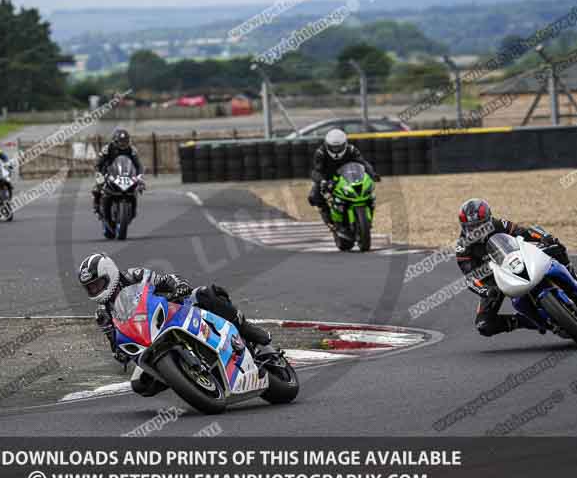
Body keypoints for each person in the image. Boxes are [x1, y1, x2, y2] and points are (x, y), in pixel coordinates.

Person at [78, 253, 271, 396]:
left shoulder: (134, 276)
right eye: (90, 288)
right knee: (140, 384)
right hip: (147, 340)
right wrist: (120, 354)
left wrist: (178, 287)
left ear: (109, 273)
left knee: (207, 294)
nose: (95, 290)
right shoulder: (103, 314)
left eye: (97, 284)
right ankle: (183, 376)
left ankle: (246, 328)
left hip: (174, 311)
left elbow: (167, 279)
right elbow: (115, 342)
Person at [456, 198, 577, 339]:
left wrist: (544, 237)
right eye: (471, 227)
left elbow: (524, 232)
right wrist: (486, 290)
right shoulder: (462, 248)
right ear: (463, 226)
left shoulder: (499, 224)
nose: (477, 230)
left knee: (556, 246)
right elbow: (470, 277)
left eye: (481, 225)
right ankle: (526, 322)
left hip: (517, 259)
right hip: (494, 280)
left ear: (489, 219)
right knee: (484, 325)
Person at [308, 129, 379, 229]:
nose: (336, 150)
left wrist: (372, 174)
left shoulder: (352, 150)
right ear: (327, 145)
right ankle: (329, 219)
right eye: (333, 147)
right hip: (327, 178)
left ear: (345, 144)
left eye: (338, 147)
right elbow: (317, 171)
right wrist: (323, 181)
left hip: (347, 175)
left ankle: (367, 218)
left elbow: (363, 163)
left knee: (369, 193)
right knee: (314, 197)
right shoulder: (321, 153)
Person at [92, 129, 144, 236]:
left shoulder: (132, 150)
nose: (123, 144)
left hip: (125, 175)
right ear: (115, 141)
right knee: (97, 189)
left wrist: (139, 177)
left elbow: (138, 165)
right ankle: (97, 207)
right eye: (121, 142)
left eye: (125, 141)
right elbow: (98, 164)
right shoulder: (107, 149)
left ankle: (132, 211)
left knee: (136, 188)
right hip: (108, 173)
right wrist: (99, 175)